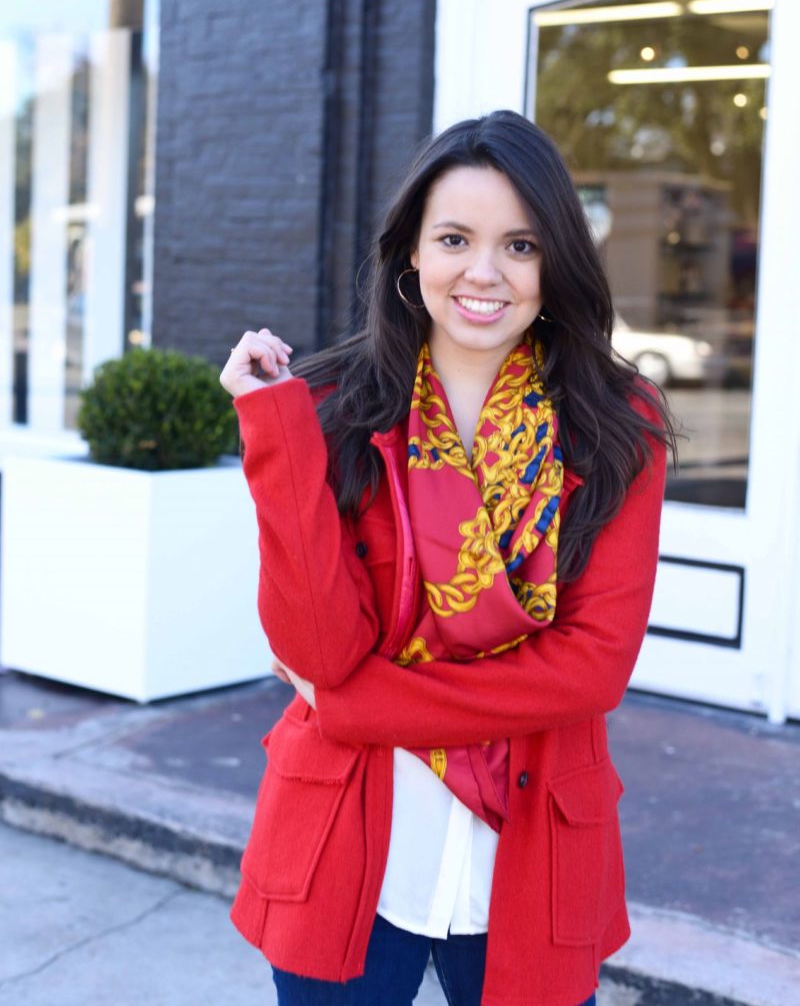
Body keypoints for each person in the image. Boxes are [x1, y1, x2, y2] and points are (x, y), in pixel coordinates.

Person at [219, 110, 675, 1006]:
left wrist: (357, 705)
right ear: (412, 257)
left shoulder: (619, 424)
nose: (484, 272)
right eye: (455, 238)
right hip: (350, 847)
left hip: (529, 852)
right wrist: (274, 433)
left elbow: (588, 670)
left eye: (520, 244)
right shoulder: (330, 405)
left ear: (557, 264)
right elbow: (316, 649)